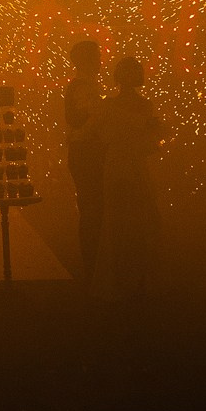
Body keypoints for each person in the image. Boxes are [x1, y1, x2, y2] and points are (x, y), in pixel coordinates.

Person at [91, 55, 167, 302]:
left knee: (118, 224)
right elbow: (149, 144)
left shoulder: (109, 106)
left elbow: (102, 138)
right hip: (132, 167)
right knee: (138, 223)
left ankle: (120, 280)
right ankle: (136, 280)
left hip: (119, 166)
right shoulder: (143, 107)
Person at [63, 40, 106, 280]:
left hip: (83, 153)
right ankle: (91, 264)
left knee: (92, 207)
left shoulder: (84, 86)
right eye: (97, 56)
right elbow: (81, 123)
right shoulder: (83, 88)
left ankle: (92, 262)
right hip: (85, 154)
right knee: (92, 208)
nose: (101, 61)